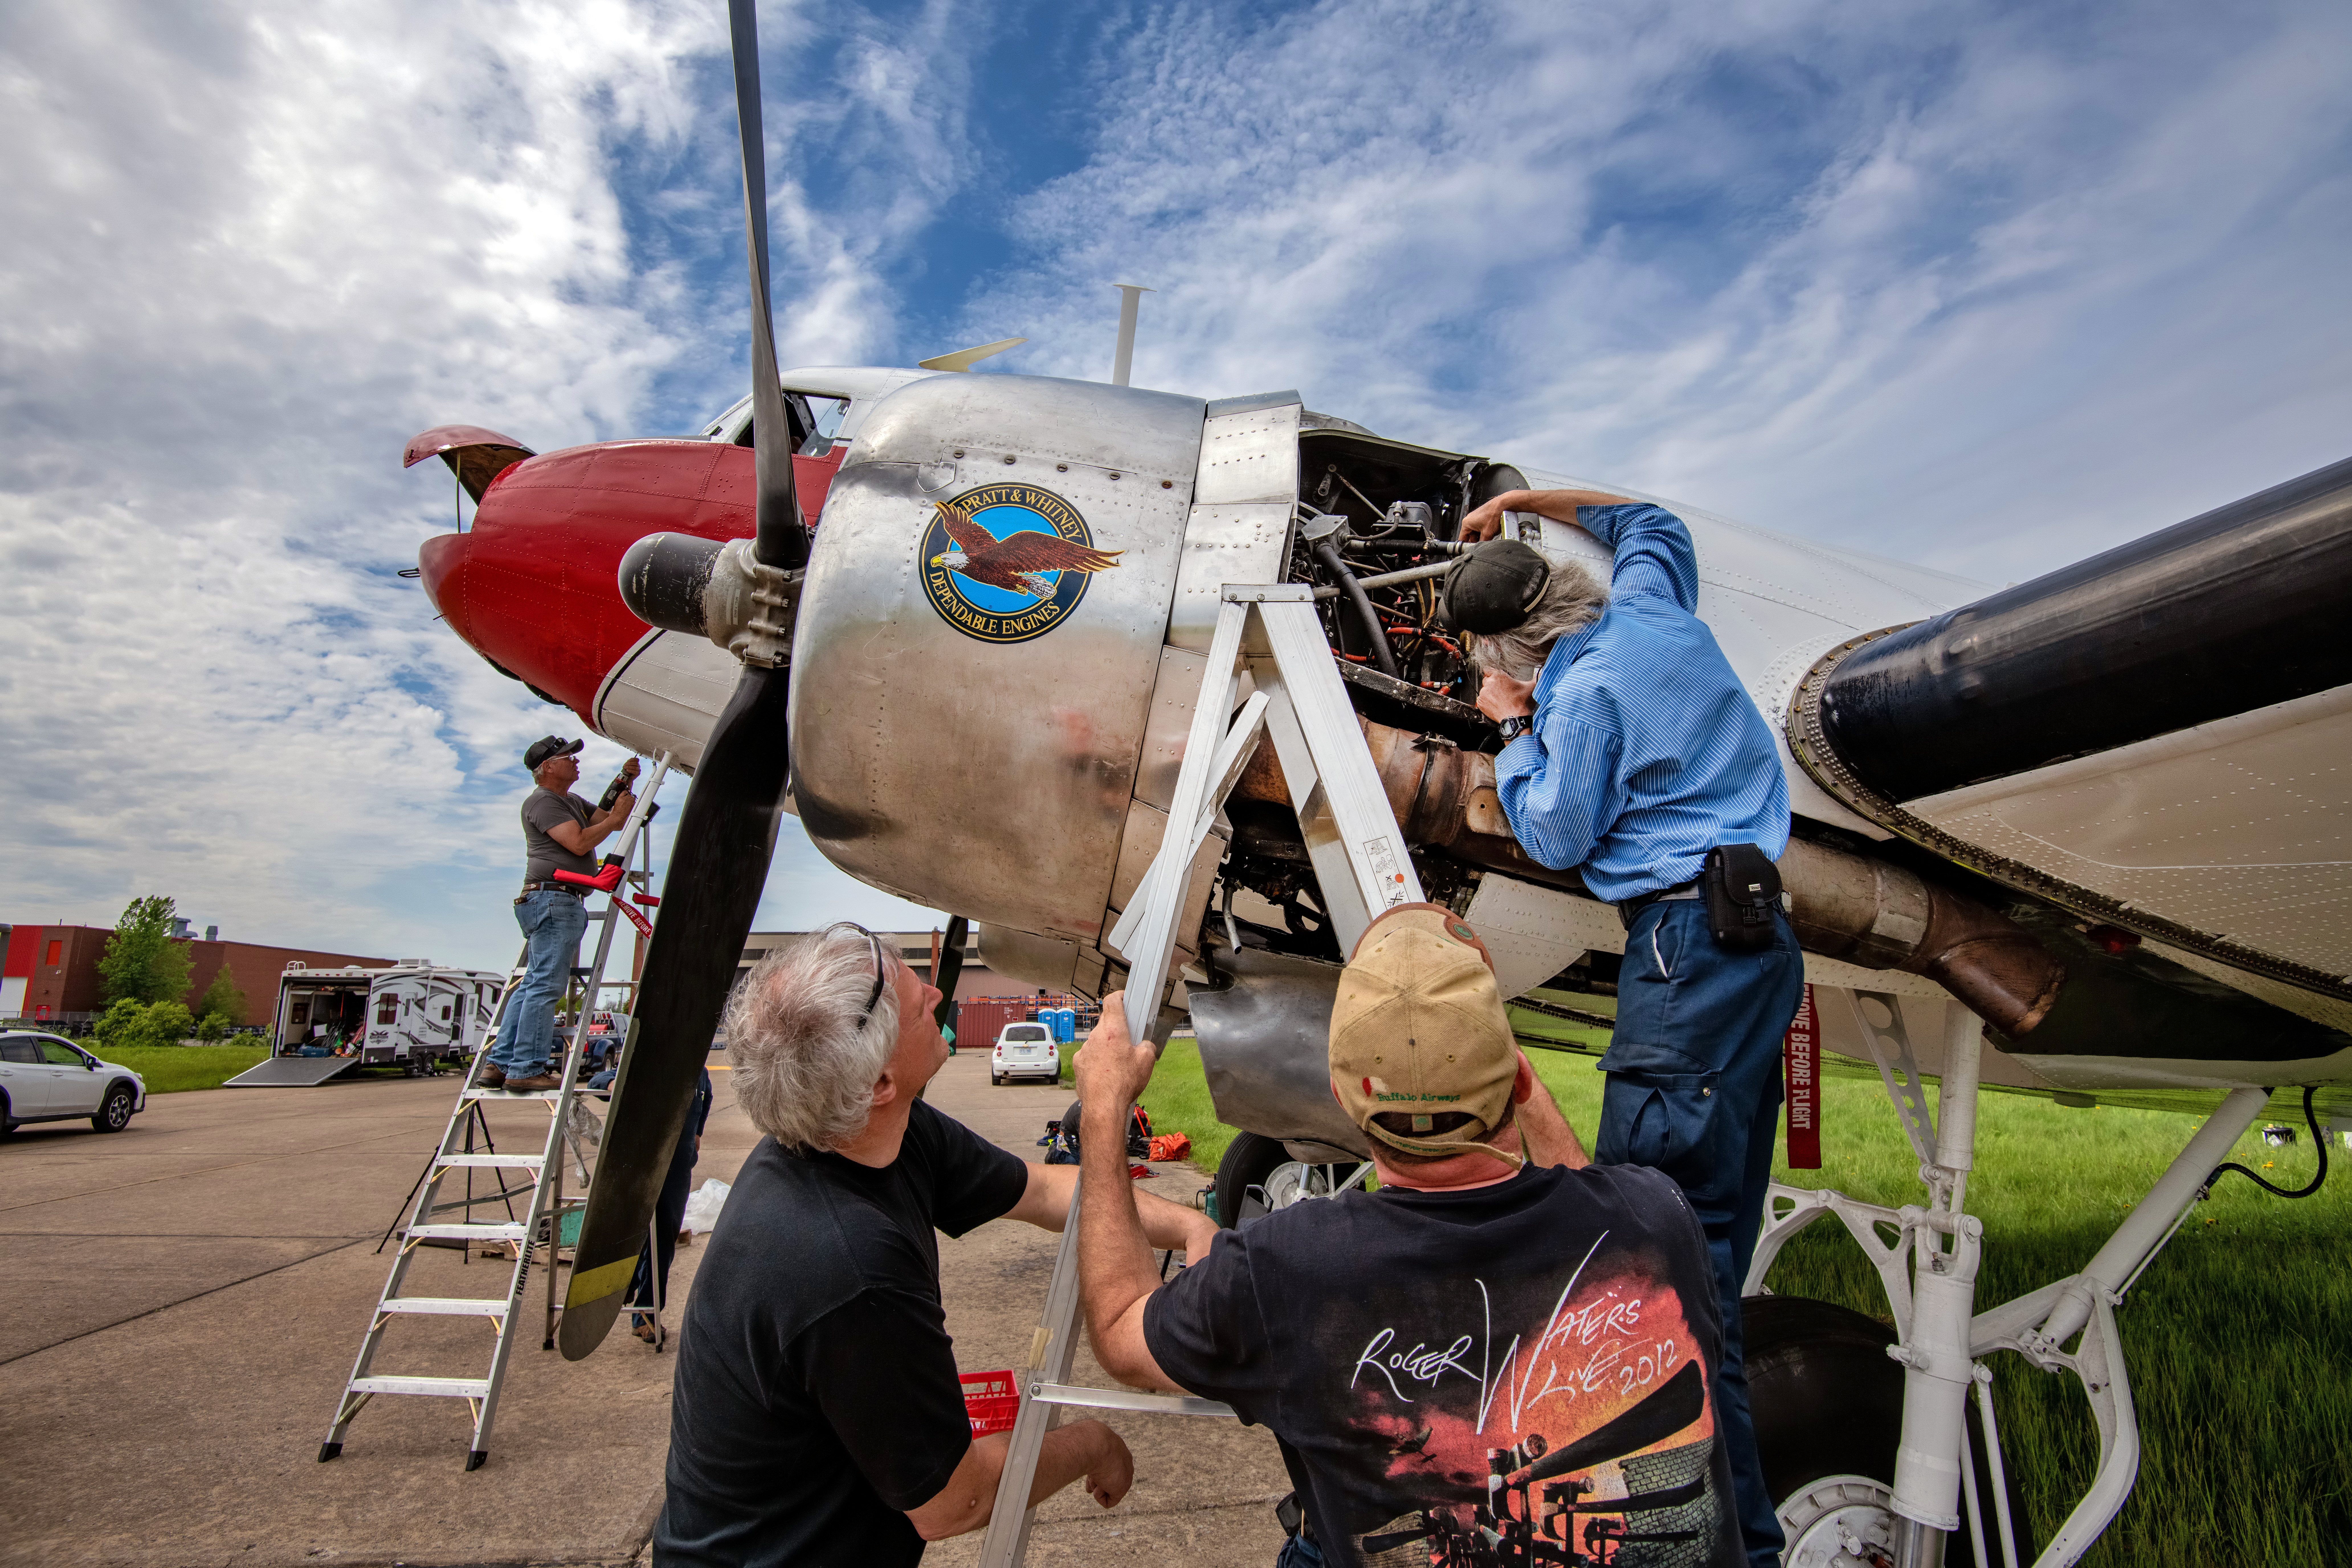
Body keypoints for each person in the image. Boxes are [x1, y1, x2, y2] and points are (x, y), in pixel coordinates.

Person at [1074, 904, 1743, 1568]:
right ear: (1515, 1077)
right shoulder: (1659, 1219)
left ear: (1340, 1096)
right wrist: (1495, 1053)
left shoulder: (1288, 1268)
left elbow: (1119, 1326)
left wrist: (1104, 1111)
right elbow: (1596, 1209)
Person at [1457, 487, 1805, 1565]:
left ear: (1518, 649)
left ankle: (1710, 1541)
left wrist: (1511, 719)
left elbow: (1558, 830)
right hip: (1756, 951)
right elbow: (1655, 527)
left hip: (1681, 954)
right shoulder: (1650, 612)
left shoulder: (1587, 693)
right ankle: (1730, 1530)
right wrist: (1529, 502)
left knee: (1654, 1269)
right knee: (1701, 1264)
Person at [655, 922, 1218, 1566]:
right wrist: (1091, 1442)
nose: (932, 991)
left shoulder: (876, 1133)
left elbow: (1040, 1188)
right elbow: (957, 1501)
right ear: (878, 1084)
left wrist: (1190, 1226)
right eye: (909, 995)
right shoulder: (844, 1263)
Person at [486, 736, 636, 1092]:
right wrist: (617, 818)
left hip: (552, 900)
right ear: (548, 768)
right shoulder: (543, 802)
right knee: (543, 987)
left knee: (531, 986)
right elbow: (582, 841)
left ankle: (499, 1064)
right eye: (568, 757)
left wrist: (622, 781)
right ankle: (525, 1069)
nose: (576, 761)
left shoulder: (567, 800)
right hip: (554, 899)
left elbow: (600, 818)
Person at [630, 1065, 712, 1347]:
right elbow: (602, 1079)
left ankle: (646, 1314)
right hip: (645, 1165)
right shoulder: (658, 1056)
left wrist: (698, 1131)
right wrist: (613, 1083)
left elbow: (708, 1096)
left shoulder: (699, 1070)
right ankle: (633, 1297)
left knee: (664, 1238)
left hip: (678, 1169)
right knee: (638, 1236)